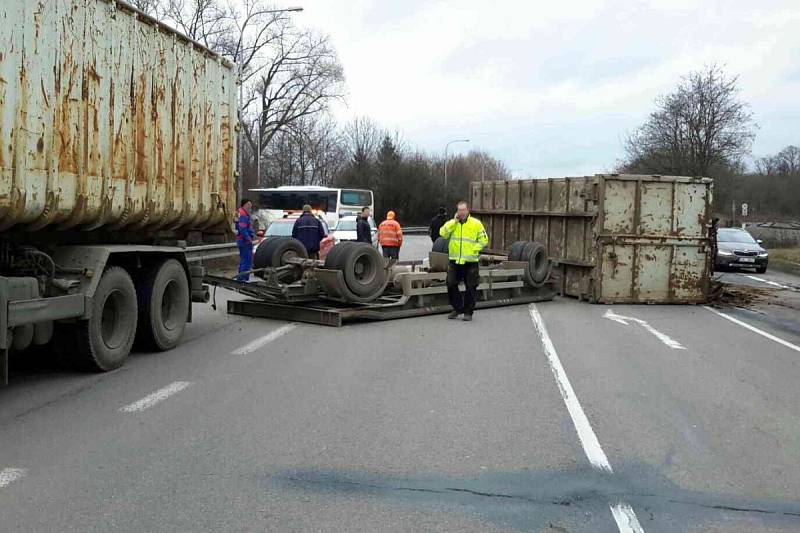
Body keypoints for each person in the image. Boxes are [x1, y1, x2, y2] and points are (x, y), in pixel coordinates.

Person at [439, 201, 488, 321]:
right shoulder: (453, 223)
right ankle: (457, 307)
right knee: (450, 283)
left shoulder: (476, 224)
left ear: (467, 211)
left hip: (470, 261)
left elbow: (484, 240)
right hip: (455, 260)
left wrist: (473, 250)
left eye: (463, 210)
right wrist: (453, 222)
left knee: (470, 287)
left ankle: (468, 312)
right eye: (459, 210)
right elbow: (442, 233)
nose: (461, 213)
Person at [236, 198, 255, 281]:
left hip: (242, 239)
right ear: (244, 204)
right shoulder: (243, 214)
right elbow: (243, 229)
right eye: (248, 204)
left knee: (244, 259)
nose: (250, 206)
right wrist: (248, 239)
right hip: (244, 241)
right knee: (247, 260)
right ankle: (243, 279)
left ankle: (241, 278)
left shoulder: (240, 212)